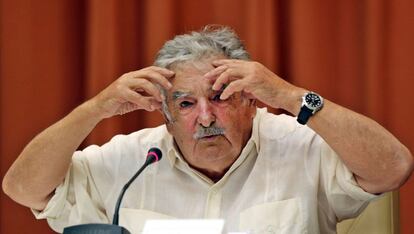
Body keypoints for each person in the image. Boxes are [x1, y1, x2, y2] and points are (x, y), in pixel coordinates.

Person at [2, 26, 413, 234]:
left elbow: (394, 167)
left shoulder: (300, 146)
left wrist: (290, 96)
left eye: (220, 96)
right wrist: (94, 109)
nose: (205, 117)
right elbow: (23, 189)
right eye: (185, 103)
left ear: (251, 101)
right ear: (165, 114)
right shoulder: (131, 161)